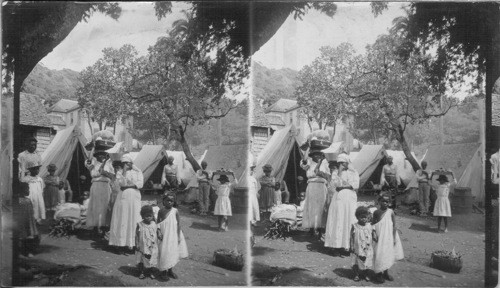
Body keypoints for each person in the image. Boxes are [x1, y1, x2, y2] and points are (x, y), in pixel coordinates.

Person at [324, 153, 359, 256]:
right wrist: (339, 172)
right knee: (338, 219)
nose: (342, 165)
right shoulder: (336, 173)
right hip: (339, 199)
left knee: (348, 219)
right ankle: (334, 246)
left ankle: (345, 245)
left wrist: (344, 186)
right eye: (340, 163)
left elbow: (355, 185)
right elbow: (334, 185)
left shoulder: (354, 172)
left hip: (350, 199)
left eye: (343, 163)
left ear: (348, 162)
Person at [109, 154, 143, 254]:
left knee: (134, 218)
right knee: (122, 218)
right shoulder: (120, 172)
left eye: (127, 163)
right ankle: (119, 243)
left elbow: (140, 184)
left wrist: (129, 185)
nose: (126, 165)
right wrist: (124, 171)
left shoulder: (138, 171)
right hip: (123, 198)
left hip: (134, 198)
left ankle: (131, 244)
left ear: (131, 163)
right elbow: (122, 184)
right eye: (124, 164)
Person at [372, 194, 404, 284]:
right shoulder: (376, 212)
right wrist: (374, 233)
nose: (385, 203)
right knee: (379, 253)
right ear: (379, 202)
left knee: (387, 253)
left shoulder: (391, 212)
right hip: (380, 236)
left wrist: (393, 238)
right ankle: (378, 273)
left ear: (389, 203)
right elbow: (373, 225)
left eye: (387, 201)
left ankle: (386, 272)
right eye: (383, 201)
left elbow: (394, 226)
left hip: (389, 237)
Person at [300, 149, 331, 238]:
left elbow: (328, 175)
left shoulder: (325, 163)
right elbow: (304, 163)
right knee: (312, 206)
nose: (317, 156)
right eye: (315, 154)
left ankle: (321, 228)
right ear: (312, 155)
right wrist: (308, 148)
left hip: (321, 186)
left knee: (321, 207)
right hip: (312, 185)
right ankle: (312, 227)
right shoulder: (309, 162)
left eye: (319, 155)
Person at [157, 193, 188, 281]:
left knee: (172, 252)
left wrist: (178, 236)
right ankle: (163, 271)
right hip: (164, 235)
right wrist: (159, 232)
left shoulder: (175, 211)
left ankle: (170, 270)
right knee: (164, 251)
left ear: (174, 202)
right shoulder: (161, 211)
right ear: (164, 201)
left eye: (172, 201)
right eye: (167, 200)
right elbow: (158, 223)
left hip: (173, 235)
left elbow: (178, 224)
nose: (169, 202)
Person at [85, 151, 115, 236]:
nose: (101, 156)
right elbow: (88, 164)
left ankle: (104, 226)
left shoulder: (109, 164)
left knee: (105, 206)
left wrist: (106, 173)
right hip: (96, 185)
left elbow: (113, 176)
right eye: (99, 154)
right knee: (96, 205)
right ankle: (95, 225)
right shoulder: (93, 163)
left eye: (103, 154)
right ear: (96, 156)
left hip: (105, 186)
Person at [350, 206, 376, 282]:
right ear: (357, 217)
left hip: (367, 247)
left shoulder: (370, 225)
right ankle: (356, 274)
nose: (364, 219)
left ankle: (366, 274)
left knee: (367, 261)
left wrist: (375, 236)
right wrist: (351, 245)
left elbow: (373, 234)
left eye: (365, 217)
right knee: (356, 261)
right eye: (361, 217)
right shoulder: (355, 226)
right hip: (357, 247)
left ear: (368, 217)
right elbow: (351, 236)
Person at [135, 205, 158, 280]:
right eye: (146, 216)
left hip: (152, 246)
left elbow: (156, 233)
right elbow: (137, 235)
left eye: (150, 216)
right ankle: (142, 272)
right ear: (142, 216)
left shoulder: (154, 224)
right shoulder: (140, 224)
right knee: (142, 259)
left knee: (151, 259)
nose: (148, 218)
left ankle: (150, 272)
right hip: (143, 246)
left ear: (152, 216)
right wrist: (137, 243)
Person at [17, 182, 40, 257]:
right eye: (27, 189)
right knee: (24, 236)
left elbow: (31, 212)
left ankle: (27, 251)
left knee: (29, 235)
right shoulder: (20, 201)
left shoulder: (27, 200)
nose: (29, 191)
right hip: (23, 222)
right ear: (22, 190)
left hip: (29, 221)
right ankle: (25, 251)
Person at [20, 160, 45, 224]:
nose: (37, 171)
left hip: (38, 195)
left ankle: (38, 219)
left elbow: (42, 188)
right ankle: (32, 220)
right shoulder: (26, 179)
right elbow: (24, 188)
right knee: (33, 206)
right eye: (35, 169)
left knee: (38, 206)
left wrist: (40, 194)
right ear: (30, 170)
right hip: (31, 195)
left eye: (38, 169)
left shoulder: (39, 179)